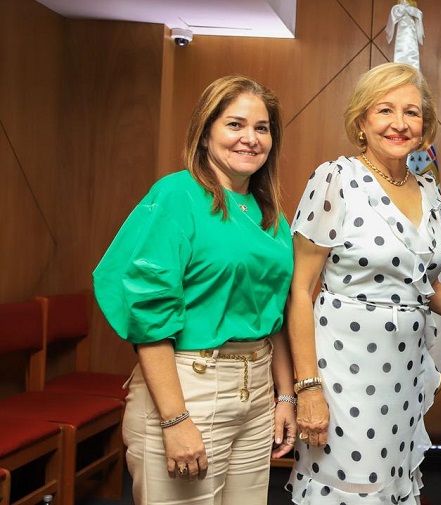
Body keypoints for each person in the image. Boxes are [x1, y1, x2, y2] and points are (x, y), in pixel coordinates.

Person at [93, 75, 297, 505]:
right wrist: (175, 419)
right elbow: (148, 315)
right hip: (190, 385)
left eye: (262, 128)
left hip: (256, 389)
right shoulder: (176, 195)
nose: (250, 138)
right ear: (206, 134)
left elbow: (276, 313)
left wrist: (284, 395)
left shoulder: (271, 216)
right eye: (235, 125)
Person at [286, 62, 441, 504]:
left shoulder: (429, 190)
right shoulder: (336, 179)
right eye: (385, 110)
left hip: (403, 374)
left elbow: (425, 287)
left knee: (390, 485)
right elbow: (301, 290)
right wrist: (307, 390)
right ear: (362, 120)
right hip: (342, 373)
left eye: (412, 113)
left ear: (426, 124)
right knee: (350, 489)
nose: (399, 124)